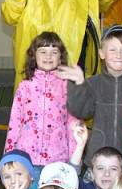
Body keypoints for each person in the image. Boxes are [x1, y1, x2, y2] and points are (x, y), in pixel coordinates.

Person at [58, 24, 122, 172]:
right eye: (112, 49)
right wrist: (79, 84)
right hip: (98, 161)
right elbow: (80, 112)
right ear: (101, 53)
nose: (118, 55)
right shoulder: (93, 83)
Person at [4, 31, 78, 166]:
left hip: (57, 159)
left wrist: (73, 161)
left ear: (61, 57)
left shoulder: (67, 87)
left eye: (54, 52)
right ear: (34, 56)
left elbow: (72, 124)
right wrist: (8, 157)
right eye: (43, 51)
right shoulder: (25, 87)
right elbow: (15, 123)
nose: (48, 56)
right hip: (26, 158)